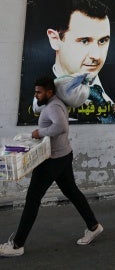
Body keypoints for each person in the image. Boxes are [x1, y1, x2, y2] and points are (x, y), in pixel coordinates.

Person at [0, 76, 103, 257]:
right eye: (35, 92)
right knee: (72, 192)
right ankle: (94, 226)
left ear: (49, 92)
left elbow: (61, 126)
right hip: (62, 155)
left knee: (32, 199)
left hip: (53, 160)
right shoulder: (53, 104)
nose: (36, 95)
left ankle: (17, 245)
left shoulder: (54, 106)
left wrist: (38, 132)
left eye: (39, 92)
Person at [31, 0, 115, 124]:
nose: (96, 55)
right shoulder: (37, 93)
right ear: (55, 39)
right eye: (84, 41)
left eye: (102, 41)